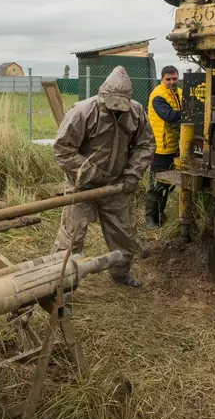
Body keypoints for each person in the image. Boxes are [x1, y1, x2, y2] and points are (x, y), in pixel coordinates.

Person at [52, 66, 155, 287]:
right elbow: (63, 149)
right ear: (103, 95)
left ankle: (121, 274)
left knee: (123, 235)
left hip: (116, 186)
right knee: (71, 237)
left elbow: (145, 144)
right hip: (82, 187)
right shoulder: (83, 112)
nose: (117, 107)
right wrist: (91, 174)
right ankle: (61, 284)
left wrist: (133, 174)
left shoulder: (136, 113)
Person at [145, 65, 182, 228]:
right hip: (160, 148)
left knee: (168, 184)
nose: (172, 82)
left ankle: (160, 214)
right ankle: (150, 220)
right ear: (162, 79)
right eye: (168, 79)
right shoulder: (158, 95)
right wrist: (190, 111)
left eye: (175, 79)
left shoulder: (179, 93)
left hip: (174, 148)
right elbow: (168, 116)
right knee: (156, 186)